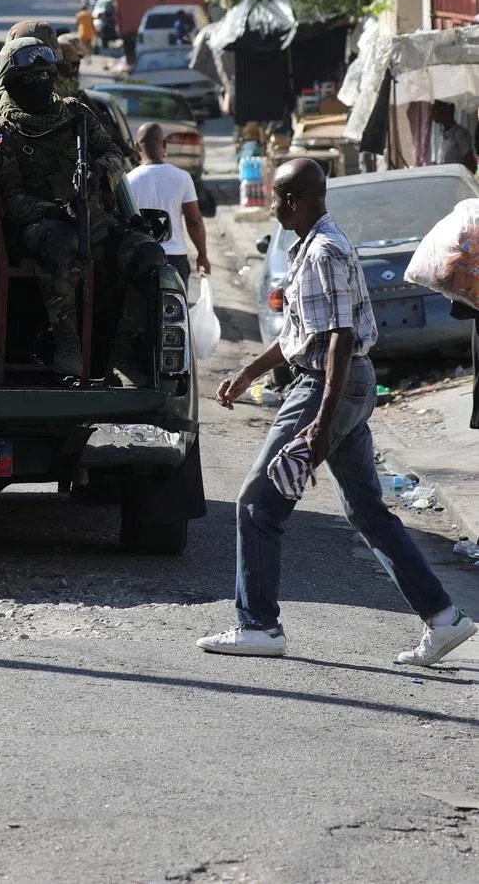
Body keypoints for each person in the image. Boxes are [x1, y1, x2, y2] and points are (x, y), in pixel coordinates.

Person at [199, 159, 475, 664]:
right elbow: (297, 335)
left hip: (328, 386)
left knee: (258, 502)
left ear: (296, 201)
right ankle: (443, 618)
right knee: (365, 508)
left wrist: (321, 423)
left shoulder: (324, 250)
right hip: (342, 383)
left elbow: (339, 341)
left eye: (279, 199)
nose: (273, 208)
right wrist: (247, 374)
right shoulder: (311, 246)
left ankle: (258, 625)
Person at [0, 35, 165, 378]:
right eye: (28, 80)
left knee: (147, 255)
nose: (39, 85)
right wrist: (55, 211)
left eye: (46, 76)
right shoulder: (3, 128)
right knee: (61, 244)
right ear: (11, 84)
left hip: (92, 217)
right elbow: (9, 201)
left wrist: (97, 175)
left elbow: (115, 155)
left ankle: (123, 350)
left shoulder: (75, 113)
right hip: (40, 226)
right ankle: (67, 344)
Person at [126, 123, 210, 288]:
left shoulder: (128, 181)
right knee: (176, 310)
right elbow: (194, 221)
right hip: (174, 259)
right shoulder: (182, 177)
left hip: (140, 257)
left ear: (137, 147)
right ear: (164, 144)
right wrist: (202, 255)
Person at [433, 100, 477, 173]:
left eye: (437, 110)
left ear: (448, 111)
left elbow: (472, 166)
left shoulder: (459, 134)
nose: (434, 113)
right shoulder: (443, 134)